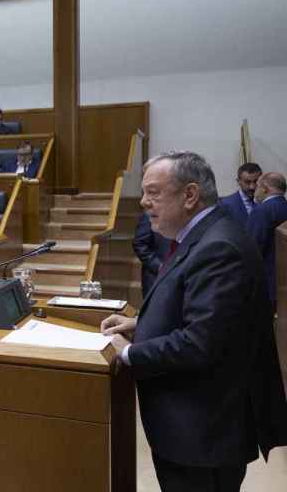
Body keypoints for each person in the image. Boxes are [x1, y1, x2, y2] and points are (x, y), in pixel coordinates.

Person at [101, 151, 287, 492]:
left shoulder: (219, 247)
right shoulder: (204, 234)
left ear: (190, 195)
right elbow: (198, 305)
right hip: (194, 431)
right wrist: (142, 323)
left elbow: (201, 342)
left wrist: (125, 353)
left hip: (204, 435)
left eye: (153, 192)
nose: (143, 202)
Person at [246, 172, 287, 308]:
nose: (255, 191)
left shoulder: (261, 211)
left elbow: (253, 249)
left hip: (269, 284)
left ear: (265, 188)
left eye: (257, 186)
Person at [132, 210, 172, 298]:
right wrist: (159, 266)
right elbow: (140, 243)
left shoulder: (189, 215)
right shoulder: (151, 213)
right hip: (156, 277)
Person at [219, 162, 262, 227]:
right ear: (238, 181)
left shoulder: (267, 202)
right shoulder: (225, 204)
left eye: (256, 181)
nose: (252, 187)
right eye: (247, 182)